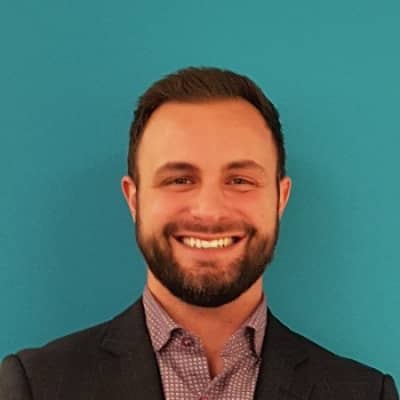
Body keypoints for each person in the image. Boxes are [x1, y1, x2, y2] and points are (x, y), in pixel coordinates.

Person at [0, 67, 398, 400]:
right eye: (179, 179)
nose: (209, 211)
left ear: (280, 198)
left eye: (240, 180)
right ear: (134, 199)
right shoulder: (35, 386)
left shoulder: (366, 394)